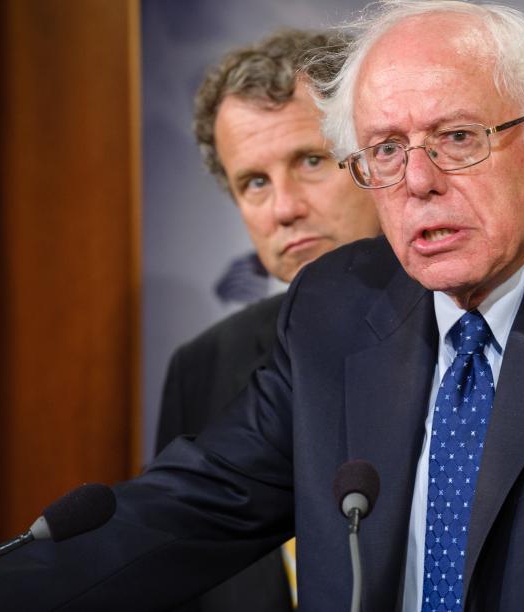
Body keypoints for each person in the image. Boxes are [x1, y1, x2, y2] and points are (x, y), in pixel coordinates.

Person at [0, 2, 524, 611]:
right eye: (386, 151)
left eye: (458, 137)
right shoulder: (337, 303)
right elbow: (197, 504)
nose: (418, 181)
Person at [155, 28, 381, 612]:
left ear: (375, 159)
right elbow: (179, 569)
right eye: (254, 182)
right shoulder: (204, 366)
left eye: (310, 161)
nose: (284, 208)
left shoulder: (474, 332)